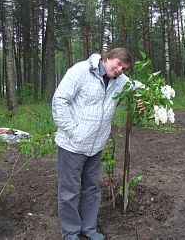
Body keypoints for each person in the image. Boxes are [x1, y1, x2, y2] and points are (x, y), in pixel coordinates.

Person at [52, 47, 140, 240]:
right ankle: (71, 233)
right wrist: (74, 132)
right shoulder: (80, 71)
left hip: (96, 147)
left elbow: (137, 88)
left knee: (92, 189)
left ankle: (89, 229)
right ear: (107, 58)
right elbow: (59, 100)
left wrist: (144, 98)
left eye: (124, 69)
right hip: (72, 146)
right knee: (69, 192)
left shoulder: (120, 81)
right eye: (118, 64)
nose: (119, 70)